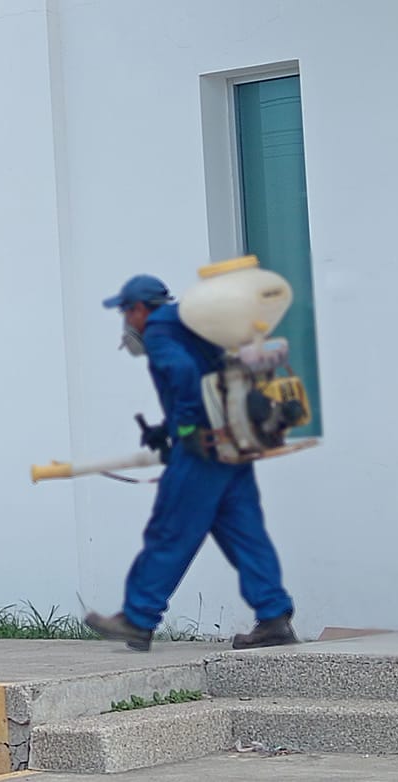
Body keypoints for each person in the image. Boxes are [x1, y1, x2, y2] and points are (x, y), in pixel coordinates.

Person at [84, 273, 298, 652]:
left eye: (126, 311)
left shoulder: (159, 331)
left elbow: (182, 374)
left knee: (170, 530)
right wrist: (167, 429)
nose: (126, 320)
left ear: (140, 308)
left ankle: (138, 618)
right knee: (246, 533)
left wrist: (185, 428)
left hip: (203, 452)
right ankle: (274, 618)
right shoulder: (192, 326)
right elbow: (205, 380)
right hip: (232, 443)